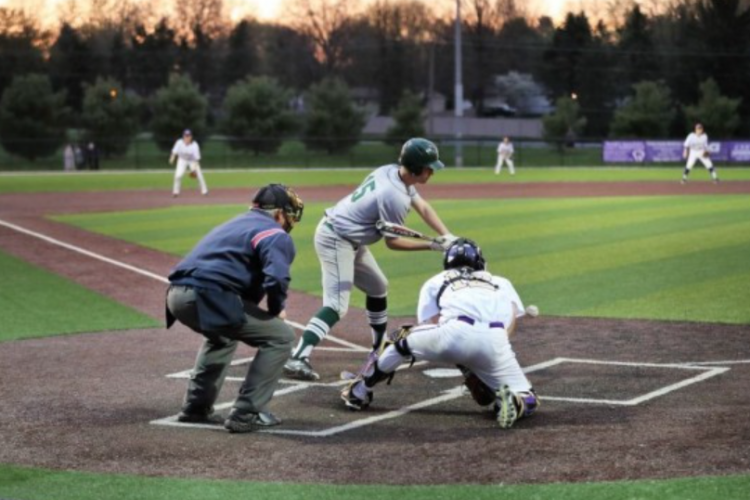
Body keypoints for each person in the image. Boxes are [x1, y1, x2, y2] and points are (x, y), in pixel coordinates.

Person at [283, 138, 458, 381]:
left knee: (378, 286)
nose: (432, 172)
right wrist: (431, 245)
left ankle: (379, 346)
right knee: (336, 305)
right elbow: (393, 242)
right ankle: (298, 357)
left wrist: (446, 235)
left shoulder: (392, 172)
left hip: (352, 238)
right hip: (336, 238)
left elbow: (423, 207)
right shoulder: (393, 196)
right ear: (416, 167)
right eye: (429, 167)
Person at [341, 238, 540, 430]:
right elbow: (511, 322)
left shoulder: (437, 280)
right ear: (480, 262)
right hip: (496, 340)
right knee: (529, 396)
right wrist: (481, 364)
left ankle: (359, 391)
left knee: (401, 337)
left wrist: (463, 361)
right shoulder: (501, 282)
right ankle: (517, 401)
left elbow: (431, 324)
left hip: (454, 334)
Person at [165, 184, 304, 433]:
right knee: (281, 337)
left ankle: (195, 408)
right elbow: (277, 279)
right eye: (289, 213)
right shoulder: (275, 233)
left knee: (222, 338)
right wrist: (276, 309)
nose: (290, 219)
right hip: (209, 296)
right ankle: (247, 412)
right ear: (279, 213)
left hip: (176, 296)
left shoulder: (235, 223)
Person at [170, 129, 208, 197]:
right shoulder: (179, 142)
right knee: (178, 176)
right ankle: (175, 192)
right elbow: (174, 151)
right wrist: (172, 158)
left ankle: (204, 191)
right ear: (183, 136)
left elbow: (197, 159)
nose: (187, 137)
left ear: (191, 137)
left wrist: (193, 170)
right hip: (182, 160)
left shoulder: (195, 145)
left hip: (192, 160)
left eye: (188, 136)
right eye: (186, 136)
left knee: (199, 175)